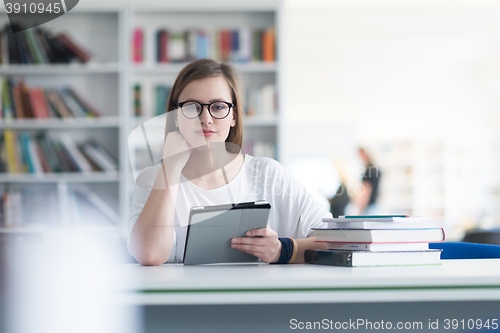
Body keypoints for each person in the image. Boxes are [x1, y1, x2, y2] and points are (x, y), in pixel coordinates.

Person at [127, 59, 331, 266]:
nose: (205, 118)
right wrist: (169, 168)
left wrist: (283, 250)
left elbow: (335, 239)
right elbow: (149, 254)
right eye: (191, 107)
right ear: (176, 115)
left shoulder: (268, 174)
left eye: (217, 106)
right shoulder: (152, 179)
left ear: (233, 115)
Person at [357, 148, 381, 215]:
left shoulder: (369, 172)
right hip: (376, 205)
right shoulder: (375, 169)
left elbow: (366, 191)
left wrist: (360, 210)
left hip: (369, 207)